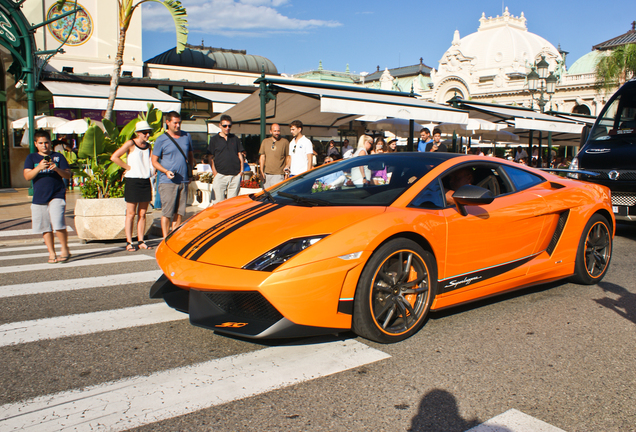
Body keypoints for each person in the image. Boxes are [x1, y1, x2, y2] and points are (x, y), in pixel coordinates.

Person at [23, 130, 71, 264]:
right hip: (39, 196)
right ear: (36, 144)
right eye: (41, 143)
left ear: (50, 143)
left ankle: (65, 248)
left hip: (57, 194)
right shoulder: (31, 158)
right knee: (45, 226)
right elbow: (27, 176)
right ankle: (52, 253)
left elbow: (67, 175)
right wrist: (38, 167)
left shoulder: (58, 157)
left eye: (46, 143)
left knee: (58, 222)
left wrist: (57, 169)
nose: (44, 146)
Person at [110, 120, 155, 251]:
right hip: (132, 181)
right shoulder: (131, 143)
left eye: (149, 133)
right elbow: (115, 157)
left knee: (142, 213)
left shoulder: (149, 146)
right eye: (144, 133)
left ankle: (141, 240)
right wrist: (127, 167)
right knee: (130, 213)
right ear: (138, 133)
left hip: (145, 180)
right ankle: (129, 241)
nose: (147, 135)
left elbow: (151, 161)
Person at [151, 111, 194, 238]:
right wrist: (165, 171)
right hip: (167, 181)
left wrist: (190, 173)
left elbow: (190, 155)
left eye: (179, 123)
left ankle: (174, 236)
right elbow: (154, 161)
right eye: (175, 123)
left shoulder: (187, 136)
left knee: (180, 212)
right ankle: (165, 238)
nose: (178, 126)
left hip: (183, 180)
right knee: (167, 212)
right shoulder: (161, 139)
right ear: (168, 122)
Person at [207, 115, 244, 204]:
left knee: (232, 205)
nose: (227, 128)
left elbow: (240, 154)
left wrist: (241, 171)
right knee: (217, 204)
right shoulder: (214, 140)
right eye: (225, 126)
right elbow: (210, 157)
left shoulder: (235, 139)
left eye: (229, 126)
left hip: (235, 175)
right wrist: (215, 173)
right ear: (220, 125)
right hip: (220, 175)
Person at [259, 123, 289, 188]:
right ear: (270, 131)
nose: (277, 133)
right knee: (265, 195)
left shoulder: (284, 142)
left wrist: (286, 172)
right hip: (266, 174)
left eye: (278, 131)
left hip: (279, 174)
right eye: (275, 131)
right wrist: (261, 171)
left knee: (276, 195)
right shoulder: (265, 141)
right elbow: (262, 157)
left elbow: (288, 157)